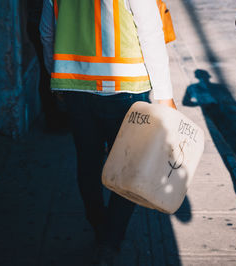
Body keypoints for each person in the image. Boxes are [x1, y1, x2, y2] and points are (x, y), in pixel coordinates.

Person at [40, 0, 176, 263]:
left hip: (75, 86)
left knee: (88, 163)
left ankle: (99, 224)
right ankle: (110, 240)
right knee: (130, 169)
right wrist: (164, 95)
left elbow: (47, 31)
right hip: (125, 88)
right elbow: (150, 32)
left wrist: (56, 75)